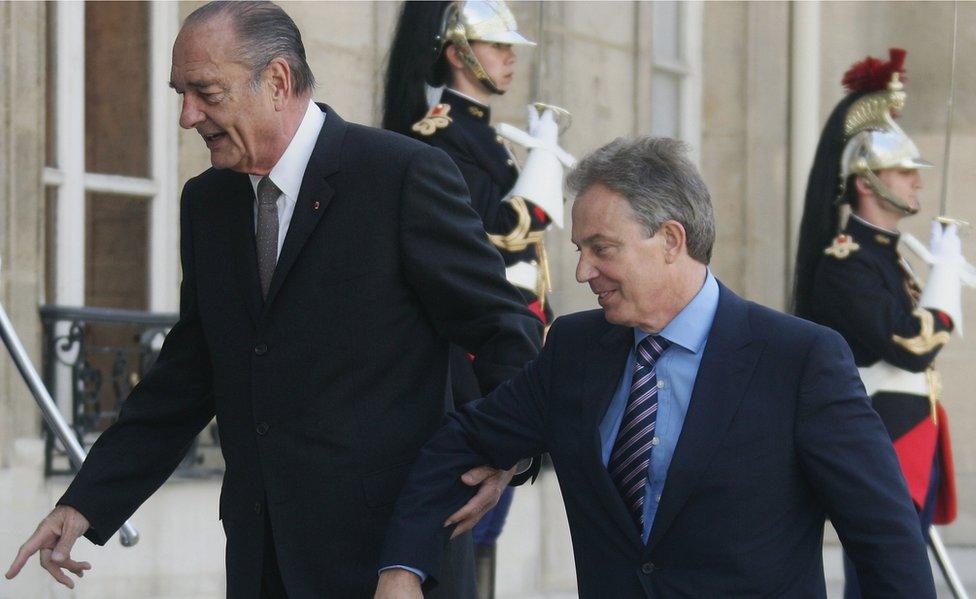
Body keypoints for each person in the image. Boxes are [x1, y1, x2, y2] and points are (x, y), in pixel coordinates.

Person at [5, 2, 542, 597]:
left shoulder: (401, 176)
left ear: (278, 81)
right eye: (180, 93)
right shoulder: (206, 202)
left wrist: (504, 452)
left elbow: (503, 329)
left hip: (395, 566)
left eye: (205, 92)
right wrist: (85, 503)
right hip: (263, 564)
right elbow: (189, 374)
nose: (188, 116)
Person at [373, 136, 936, 598]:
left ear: (670, 240)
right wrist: (403, 568)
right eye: (579, 250)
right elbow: (463, 440)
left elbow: (885, 539)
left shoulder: (800, 359)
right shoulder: (573, 349)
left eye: (602, 249)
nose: (582, 272)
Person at [383, 2, 567, 594]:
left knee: (490, 519)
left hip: (510, 349)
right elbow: (488, 236)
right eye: (496, 45)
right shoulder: (440, 135)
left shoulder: (484, 134)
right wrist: (540, 184)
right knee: (464, 526)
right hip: (471, 361)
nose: (509, 57)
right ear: (457, 52)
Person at [793, 49, 960, 598]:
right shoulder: (846, 263)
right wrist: (944, 291)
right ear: (867, 182)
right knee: (885, 581)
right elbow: (911, 346)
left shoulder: (887, 255)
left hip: (913, 432)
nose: (915, 182)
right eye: (903, 171)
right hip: (883, 436)